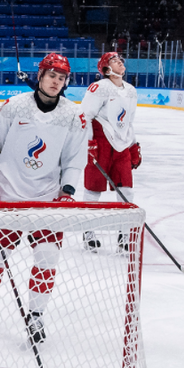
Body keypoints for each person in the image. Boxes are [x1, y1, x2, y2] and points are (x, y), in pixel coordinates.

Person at [0, 53, 88, 344]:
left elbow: (74, 160)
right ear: (40, 76)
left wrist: (67, 192)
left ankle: (36, 315)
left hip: (47, 198)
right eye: (51, 76)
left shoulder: (74, 116)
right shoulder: (14, 106)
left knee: (47, 259)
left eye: (61, 79)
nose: (56, 82)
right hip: (8, 194)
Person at [79, 51, 140, 251]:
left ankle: (124, 236)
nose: (120, 62)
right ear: (106, 69)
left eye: (120, 60)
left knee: (127, 191)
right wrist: (89, 144)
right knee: (93, 190)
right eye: (114, 61)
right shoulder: (99, 88)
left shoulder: (130, 90)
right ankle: (88, 232)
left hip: (122, 146)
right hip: (101, 143)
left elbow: (129, 120)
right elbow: (84, 116)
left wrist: (133, 145)